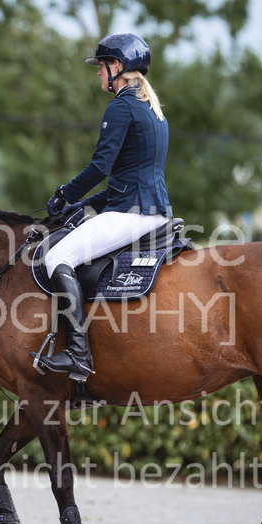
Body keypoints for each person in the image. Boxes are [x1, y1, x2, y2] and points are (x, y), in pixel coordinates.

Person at [32, 32, 172, 382]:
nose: (97, 73)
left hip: (131, 214)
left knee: (55, 258)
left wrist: (64, 193)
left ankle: (78, 354)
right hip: (151, 209)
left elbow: (100, 167)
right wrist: (85, 203)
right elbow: (128, 177)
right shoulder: (152, 110)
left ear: (118, 67)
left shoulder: (121, 106)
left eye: (102, 66)